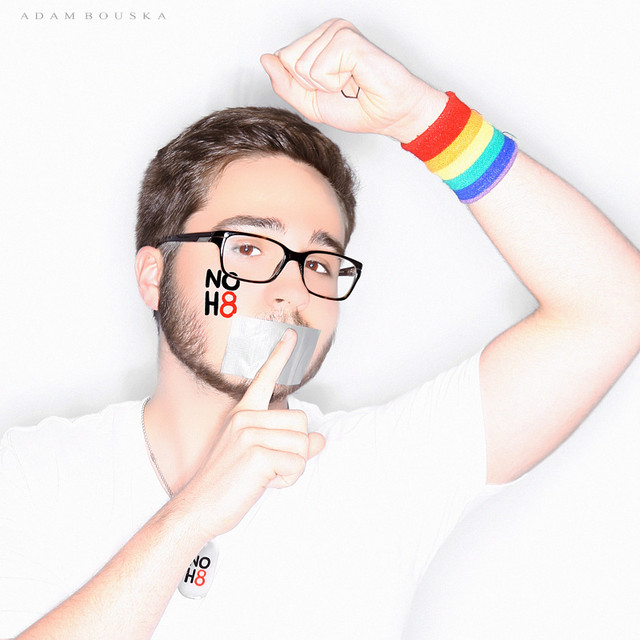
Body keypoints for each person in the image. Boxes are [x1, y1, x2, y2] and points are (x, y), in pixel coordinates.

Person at [2, 18, 640, 640]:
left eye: (319, 262)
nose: (290, 290)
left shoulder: (382, 473)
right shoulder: (28, 475)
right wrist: (190, 518)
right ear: (153, 275)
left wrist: (422, 120)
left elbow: (613, 306)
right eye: (247, 248)